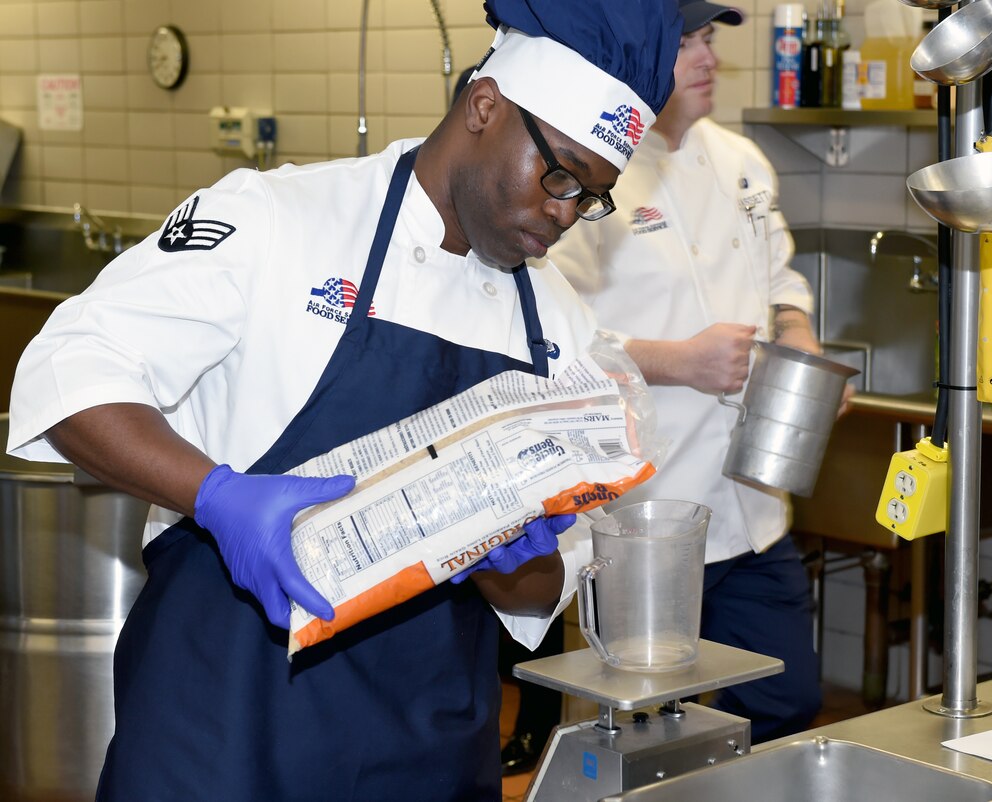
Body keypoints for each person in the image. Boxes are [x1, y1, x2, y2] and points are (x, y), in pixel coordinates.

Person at [4, 1, 682, 798]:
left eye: (592, 195)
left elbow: (547, 589)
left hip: (425, 751)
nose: (565, 213)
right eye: (559, 172)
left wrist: (513, 555)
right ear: (484, 105)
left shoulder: (560, 329)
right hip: (220, 735)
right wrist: (217, 497)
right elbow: (68, 372)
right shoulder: (277, 222)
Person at [547, 0, 842, 744]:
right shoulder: (588, 169)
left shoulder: (741, 161)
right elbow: (547, 336)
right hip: (645, 515)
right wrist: (675, 362)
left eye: (709, 39)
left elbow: (780, 275)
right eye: (686, 44)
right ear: (637, 56)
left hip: (749, 501)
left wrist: (798, 331)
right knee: (641, 723)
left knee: (786, 700)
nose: (708, 59)